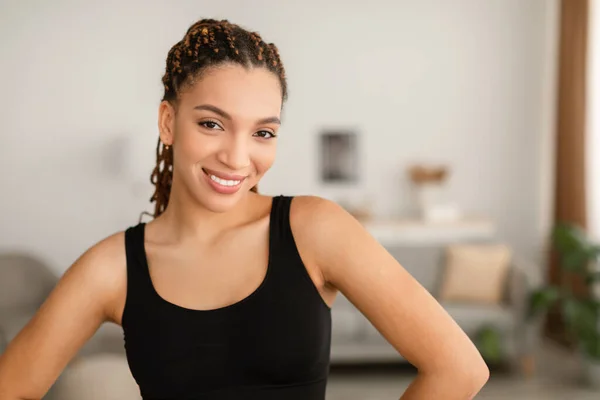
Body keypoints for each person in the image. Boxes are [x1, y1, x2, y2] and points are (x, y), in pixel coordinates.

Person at [0, 18, 489, 400]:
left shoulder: (314, 229)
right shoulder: (112, 269)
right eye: (212, 124)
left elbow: (458, 369)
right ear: (168, 122)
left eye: (263, 133)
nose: (237, 157)